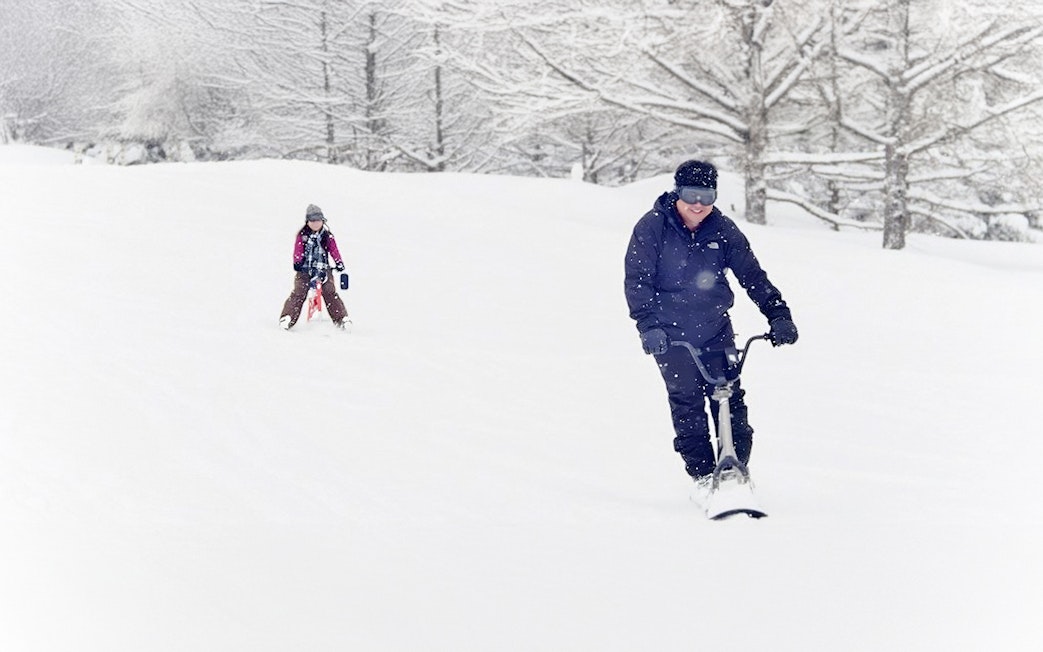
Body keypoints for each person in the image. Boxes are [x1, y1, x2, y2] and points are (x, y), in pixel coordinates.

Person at [624, 160, 798, 487]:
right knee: (687, 403)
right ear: (677, 192)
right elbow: (637, 281)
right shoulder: (652, 228)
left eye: (707, 196)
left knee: (729, 399)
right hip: (671, 338)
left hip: (715, 329)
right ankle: (704, 476)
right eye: (691, 195)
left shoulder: (723, 229)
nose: (699, 205)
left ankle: (734, 470)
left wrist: (778, 314)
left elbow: (753, 276)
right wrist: (648, 325)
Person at [279, 204, 350, 330]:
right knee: (299, 292)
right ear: (308, 222)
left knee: (329, 291)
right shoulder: (303, 235)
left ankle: (341, 319)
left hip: (323, 269)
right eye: (313, 221)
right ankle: (287, 317)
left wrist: (339, 262)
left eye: (318, 221)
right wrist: (298, 262)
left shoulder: (327, 236)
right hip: (305, 269)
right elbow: (298, 249)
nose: (316, 224)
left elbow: (334, 250)